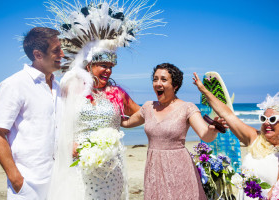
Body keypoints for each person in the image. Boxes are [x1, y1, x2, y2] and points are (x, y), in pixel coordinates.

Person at [44, 0, 163, 199]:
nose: (108, 70)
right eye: (103, 65)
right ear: (88, 65)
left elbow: (141, 114)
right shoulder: (71, 88)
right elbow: (57, 120)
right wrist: (69, 143)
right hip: (79, 159)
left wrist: (165, 111)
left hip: (111, 163)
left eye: (111, 66)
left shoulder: (117, 93)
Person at [121, 63, 222, 199]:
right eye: (155, 79)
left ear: (175, 86)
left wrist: (212, 129)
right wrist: (106, 115)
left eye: (163, 79)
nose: (158, 83)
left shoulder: (187, 108)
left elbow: (206, 135)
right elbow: (126, 122)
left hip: (179, 168)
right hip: (154, 169)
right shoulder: (147, 107)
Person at [0, 27, 64, 200]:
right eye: (56, 50)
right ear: (38, 55)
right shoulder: (13, 85)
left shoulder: (58, 87)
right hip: (28, 183)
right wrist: (16, 179)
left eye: (61, 49)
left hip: (58, 179)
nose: (62, 54)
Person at [193, 72, 279, 200]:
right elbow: (228, 115)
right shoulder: (254, 138)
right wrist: (204, 90)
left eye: (272, 119)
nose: (266, 122)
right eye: (263, 118)